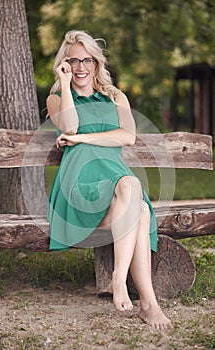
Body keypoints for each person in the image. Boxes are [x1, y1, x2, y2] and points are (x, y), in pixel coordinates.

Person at [47, 30, 173, 331]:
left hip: (114, 181)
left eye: (86, 60)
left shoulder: (116, 96)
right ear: (63, 63)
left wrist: (81, 139)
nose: (80, 67)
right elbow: (70, 124)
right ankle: (137, 294)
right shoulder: (57, 99)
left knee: (136, 202)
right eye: (72, 61)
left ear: (96, 62)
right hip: (79, 183)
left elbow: (127, 137)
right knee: (134, 195)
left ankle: (142, 298)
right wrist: (64, 84)